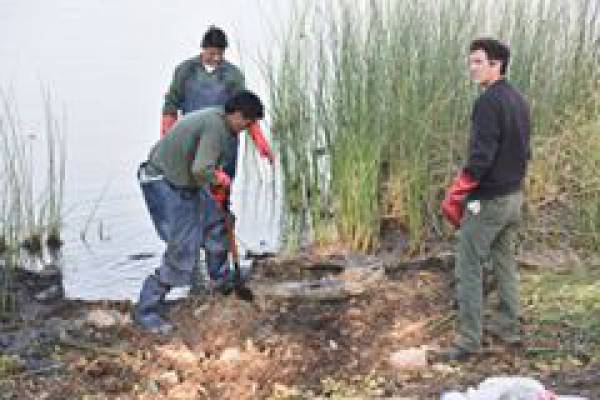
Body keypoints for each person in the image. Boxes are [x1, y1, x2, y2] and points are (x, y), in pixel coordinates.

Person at [135, 90, 264, 334]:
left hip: (186, 181)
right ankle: (147, 309)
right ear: (236, 114)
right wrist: (217, 178)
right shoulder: (216, 127)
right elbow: (202, 169)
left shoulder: (222, 123)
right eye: (246, 124)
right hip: (163, 181)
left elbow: (201, 168)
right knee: (183, 247)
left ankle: (221, 278)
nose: (247, 129)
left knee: (217, 222)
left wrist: (216, 188)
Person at [439, 38, 531, 361]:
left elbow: (481, 157)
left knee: (468, 262)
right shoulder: (518, 99)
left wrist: (457, 192)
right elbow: (525, 152)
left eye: (479, 61)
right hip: (513, 197)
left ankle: (468, 341)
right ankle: (508, 326)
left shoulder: (488, 103)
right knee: (504, 260)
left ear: (497, 65)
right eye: (471, 61)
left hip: (490, 200)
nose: (472, 67)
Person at [160, 25, 273, 162]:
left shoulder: (233, 75)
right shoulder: (185, 70)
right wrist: (168, 138)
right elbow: (171, 103)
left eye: (220, 54)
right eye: (212, 54)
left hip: (224, 143)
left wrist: (260, 143)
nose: (216, 58)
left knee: (222, 180)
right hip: (191, 140)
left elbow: (246, 109)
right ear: (203, 48)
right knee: (192, 177)